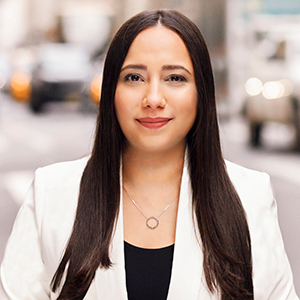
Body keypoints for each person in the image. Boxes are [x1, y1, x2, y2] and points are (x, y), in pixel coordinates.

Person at [0, 9, 298, 300]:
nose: (153, 99)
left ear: (202, 93)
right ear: (111, 91)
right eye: (134, 78)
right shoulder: (51, 193)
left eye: (175, 78)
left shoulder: (251, 196)